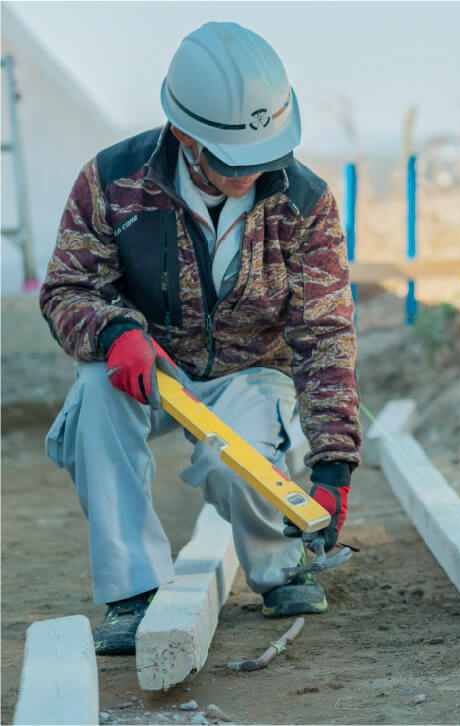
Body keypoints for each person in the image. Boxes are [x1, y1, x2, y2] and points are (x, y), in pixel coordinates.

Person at [39, 22, 361, 655]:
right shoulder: (112, 182)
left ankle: (281, 567)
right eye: (233, 160)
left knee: (231, 462)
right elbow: (65, 288)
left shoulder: (304, 202)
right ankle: (132, 591)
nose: (251, 174)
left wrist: (333, 464)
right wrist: (112, 331)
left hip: (250, 372)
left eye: (264, 157)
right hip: (144, 367)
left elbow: (324, 336)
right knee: (94, 402)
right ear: (185, 136)